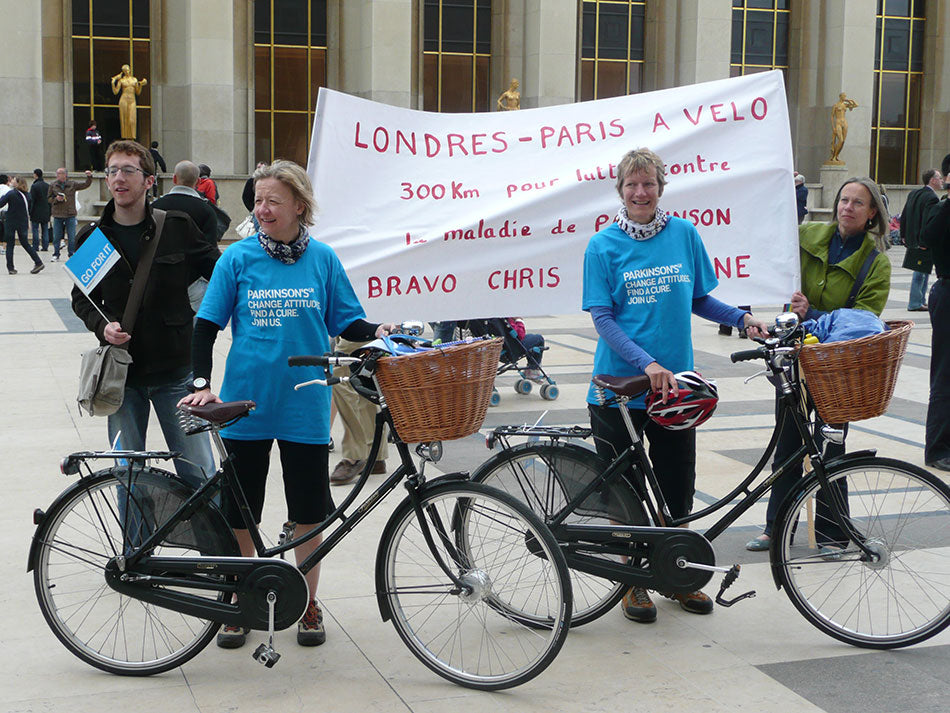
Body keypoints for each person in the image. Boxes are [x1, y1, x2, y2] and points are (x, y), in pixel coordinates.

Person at [179, 160, 396, 649]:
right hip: (244, 404)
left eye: (272, 201)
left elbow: (348, 322)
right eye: (257, 200)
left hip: (305, 403)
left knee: (308, 508)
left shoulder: (322, 259)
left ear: (300, 205)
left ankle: (308, 602)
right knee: (241, 508)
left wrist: (378, 332)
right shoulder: (237, 259)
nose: (262, 209)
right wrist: (201, 380)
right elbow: (206, 324)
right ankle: (238, 597)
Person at [582, 147, 767, 623]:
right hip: (617, 389)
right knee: (625, 492)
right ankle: (632, 581)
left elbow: (701, 298)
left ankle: (675, 573)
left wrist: (742, 318)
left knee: (676, 484)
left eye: (648, 184)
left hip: (675, 391)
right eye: (631, 185)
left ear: (661, 188)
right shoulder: (601, 245)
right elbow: (602, 318)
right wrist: (646, 364)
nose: (640, 192)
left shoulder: (684, 234)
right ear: (620, 191)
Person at [746, 177, 891, 551]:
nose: (847, 207)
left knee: (831, 447)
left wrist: (814, 312)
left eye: (857, 203)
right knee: (788, 441)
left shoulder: (876, 263)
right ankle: (775, 528)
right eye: (844, 199)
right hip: (795, 357)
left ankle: (831, 534)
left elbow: (865, 320)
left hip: (839, 367)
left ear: (872, 212)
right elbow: (770, 244)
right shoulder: (806, 235)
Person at [70, 139, 219, 495]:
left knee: (201, 476)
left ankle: (211, 549)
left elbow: (222, 271)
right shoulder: (93, 237)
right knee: (128, 479)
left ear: (149, 181)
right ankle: (134, 552)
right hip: (123, 378)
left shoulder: (177, 227)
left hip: (176, 373)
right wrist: (102, 326)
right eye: (112, 171)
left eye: (128, 170)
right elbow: (81, 300)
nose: (119, 178)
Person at [329, 336, 389, 485]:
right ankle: (376, 456)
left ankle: (355, 455)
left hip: (359, 327)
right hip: (365, 325)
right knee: (365, 380)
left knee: (339, 373)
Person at [921, 178, 950, 471]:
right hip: (948, 293)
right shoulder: (943, 210)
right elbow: (925, 237)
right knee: (945, 372)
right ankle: (938, 447)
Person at [901, 168, 942, 311]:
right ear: (932, 180)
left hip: (912, 238)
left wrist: (903, 235)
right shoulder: (932, 198)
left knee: (922, 270)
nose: (942, 181)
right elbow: (927, 220)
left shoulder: (914, 193)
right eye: (940, 178)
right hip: (922, 240)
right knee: (921, 271)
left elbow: (904, 214)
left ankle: (920, 300)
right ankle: (915, 302)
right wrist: (925, 241)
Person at [0, 176, 44, 275]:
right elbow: (29, 209)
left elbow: (1, 203)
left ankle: (11, 268)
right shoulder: (28, 195)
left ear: (17, 183)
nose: (11, 182)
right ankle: (38, 262)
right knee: (25, 243)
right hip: (23, 222)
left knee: (10, 245)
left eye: (13, 180)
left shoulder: (11, 194)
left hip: (11, 222)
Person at [48, 167, 92, 260]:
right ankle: (56, 253)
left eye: (60, 173)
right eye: (57, 173)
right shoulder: (53, 185)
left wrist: (89, 177)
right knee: (56, 236)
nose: (58, 175)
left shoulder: (72, 184)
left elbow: (85, 185)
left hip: (70, 213)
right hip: (58, 214)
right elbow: (48, 198)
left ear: (65, 174)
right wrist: (56, 199)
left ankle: (71, 253)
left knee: (71, 235)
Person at [111, 64, 147, 139]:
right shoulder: (122, 80)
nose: (127, 71)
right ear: (123, 72)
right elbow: (115, 92)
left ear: (130, 70)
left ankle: (132, 137)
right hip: (124, 100)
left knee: (131, 120)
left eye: (127, 70)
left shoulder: (134, 80)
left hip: (132, 100)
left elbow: (138, 92)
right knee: (124, 119)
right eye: (125, 70)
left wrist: (140, 85)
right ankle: (125, 137)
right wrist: (113, 83)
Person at [828, 92, 857, 164]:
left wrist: (849, 100)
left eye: (845, 96)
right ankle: (833, 156)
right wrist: (833, 127)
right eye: (844, 96)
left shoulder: (845, 105)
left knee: (843, 141)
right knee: (840, 140)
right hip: (838, 122)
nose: (845, 97)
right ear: (840, 97)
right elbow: (832, 116)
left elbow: (856, 105)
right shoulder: (835, 105)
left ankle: (837, 156)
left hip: (844, 123)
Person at [29, 169, 51, 252]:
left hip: (36, 211)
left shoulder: (34, 186)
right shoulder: (47, 186)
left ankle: (35, 246)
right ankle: (45, 246)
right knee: (45, 229)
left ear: (35, 175)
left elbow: (32, 200)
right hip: (46, 210)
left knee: (35, 229)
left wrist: (30, 211)